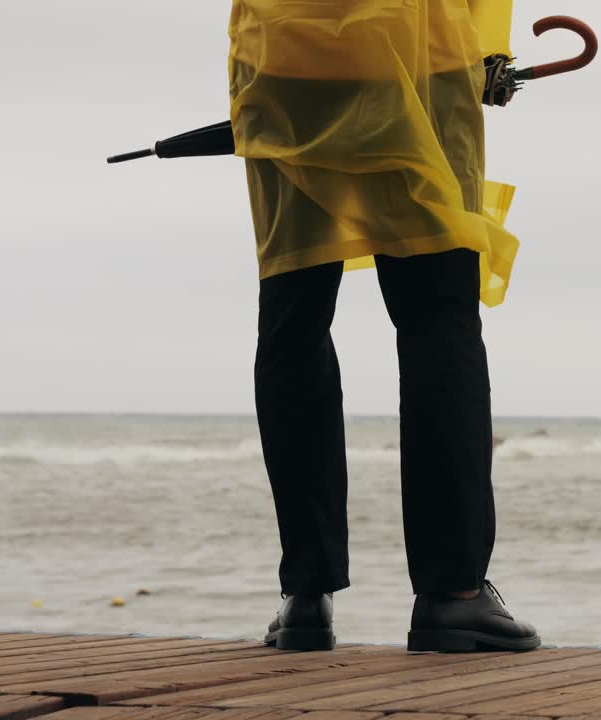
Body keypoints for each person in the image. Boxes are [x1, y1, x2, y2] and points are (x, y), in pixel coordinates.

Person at [228, 0, 539, 652]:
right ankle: (454, 594)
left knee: (293, 315)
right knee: (437, 316)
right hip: (418, 48)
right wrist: (487, 54)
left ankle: (305, 596)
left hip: (280, 58)